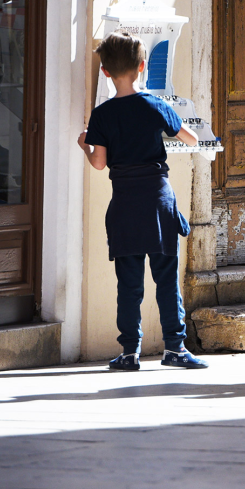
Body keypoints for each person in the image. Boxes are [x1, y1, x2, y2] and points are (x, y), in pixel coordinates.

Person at [79, 30, 208, 372]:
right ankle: (175, 348)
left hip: (123, 205)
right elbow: (190, 138)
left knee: (129, 282)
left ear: (105, 72)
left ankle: (129, 352)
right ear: (142, 66)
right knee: (166, 277)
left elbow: (99, 162)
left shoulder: (103, 115)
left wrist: (85, 144)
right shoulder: (155, 105)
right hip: (157, 201)